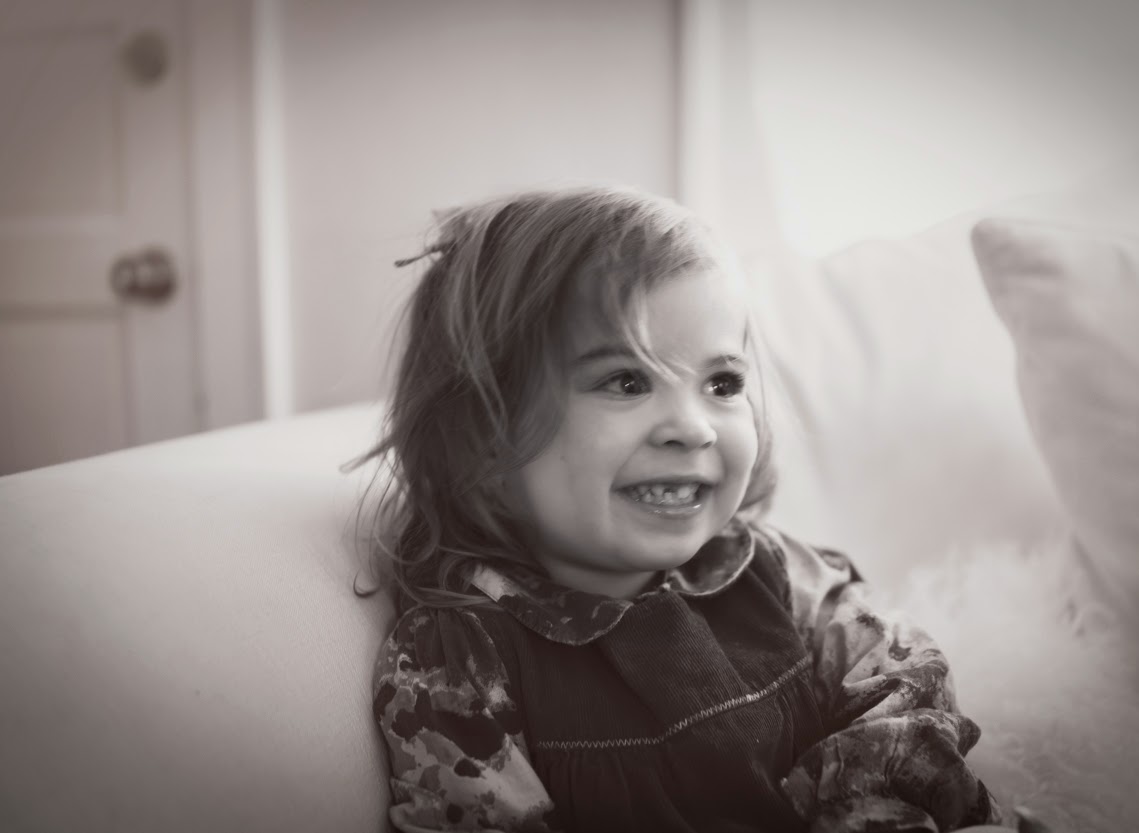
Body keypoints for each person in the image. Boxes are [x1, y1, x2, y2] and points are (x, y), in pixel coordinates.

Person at [354, 185, 1006, 832]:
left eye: (722, 383)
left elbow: (904, 681)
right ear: (483, 433)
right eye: (627, 381)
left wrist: (867, 811)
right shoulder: (460, 659)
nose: (693, 428)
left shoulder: (776, 572)